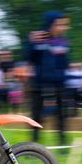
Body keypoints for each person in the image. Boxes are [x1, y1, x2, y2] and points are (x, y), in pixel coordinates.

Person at [27, 11, 70, 145]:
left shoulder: (63, 42)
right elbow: (30, 58)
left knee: (62, 115)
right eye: (60, 24)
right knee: (37, 115)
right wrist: (31, 43)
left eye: (65, 25)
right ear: (51, 24)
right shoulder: (38, 39)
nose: (64, 27)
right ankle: (34, 144)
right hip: (39, 83)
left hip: (59, 83)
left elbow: (65, 63)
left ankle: (62, 143)